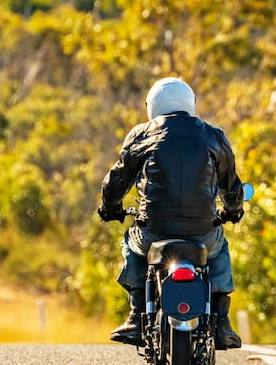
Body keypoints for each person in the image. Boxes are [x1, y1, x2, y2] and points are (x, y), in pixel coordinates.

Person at [97, 77, 245, 350]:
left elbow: (117, 178)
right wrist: (233, 211)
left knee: (131, 245)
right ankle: (222, 324)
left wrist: (110, 208)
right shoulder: (213, 136)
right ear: (190, 104)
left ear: (153, 106)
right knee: (220, 249)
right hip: (202, 231)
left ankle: (136, 317)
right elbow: (231, 186)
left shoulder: (142, 134)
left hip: (153, 229)